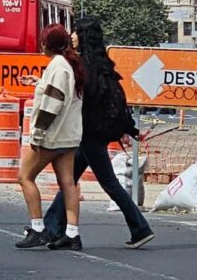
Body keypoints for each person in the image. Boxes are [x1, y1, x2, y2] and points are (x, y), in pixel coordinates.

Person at [44, 16, 155, 249]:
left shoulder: (84, 65)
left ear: (83, 36)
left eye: (76, 32)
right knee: (70, 179)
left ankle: (140, 227)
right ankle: (53, 228)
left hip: (88, 133)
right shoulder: (102, 63)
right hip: (94, 132)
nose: (72, 36)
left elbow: (83, 99)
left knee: (108, 182)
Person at [15, 24, 86, 251]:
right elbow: (62, 93)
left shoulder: (57, 66)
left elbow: (52, 104)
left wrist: (37, 134)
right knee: (68, 183)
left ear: (46, 44)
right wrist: (38, 83)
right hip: (69, 136)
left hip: (52, 136)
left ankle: (38, 228)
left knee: (25, 176)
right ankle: (72, 234)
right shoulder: (70, 65)